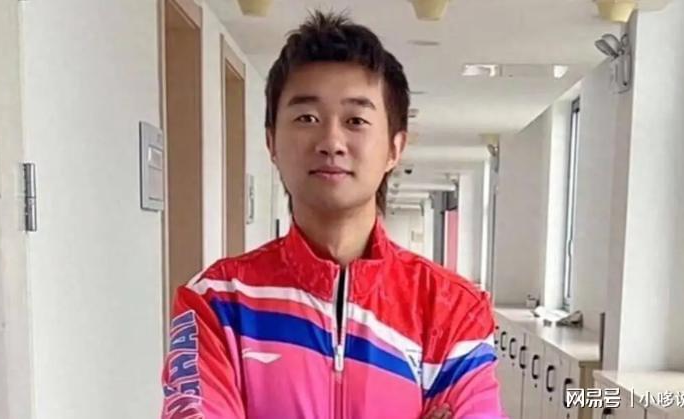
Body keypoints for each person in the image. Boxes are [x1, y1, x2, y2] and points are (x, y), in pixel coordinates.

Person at [160, 10, 505, 419]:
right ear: (272, 142)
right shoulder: (217, 302)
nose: (331, 141)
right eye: (307, 118)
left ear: (394, 148)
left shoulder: (453, 309)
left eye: (356, 120)